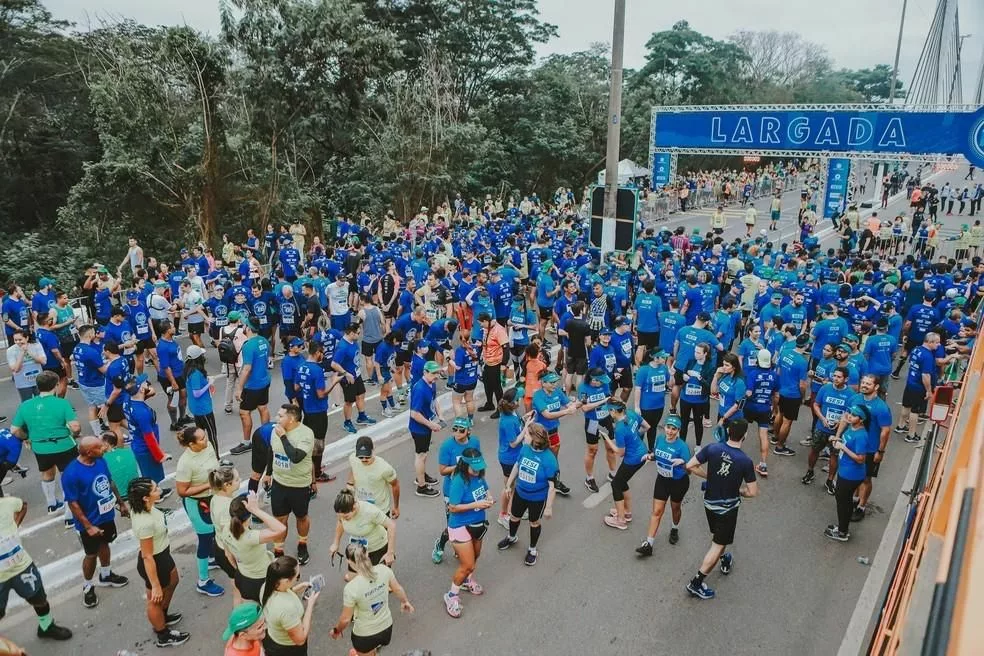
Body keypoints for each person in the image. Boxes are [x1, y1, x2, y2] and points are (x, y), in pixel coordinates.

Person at [684, 418, 758, 600]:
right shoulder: (745, 461)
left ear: (728, 432)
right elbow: (753, 492)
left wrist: (709, 477)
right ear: (745, 436)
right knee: (717, 545)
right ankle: (696, 582)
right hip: (728, 508)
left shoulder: (712, 448)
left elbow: (689, 465)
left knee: (718, 536)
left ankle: (724, 558)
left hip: (709, 503)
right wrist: (739, 491)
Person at [62, 436, 130, 609]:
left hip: (106, 516)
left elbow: (109, 481)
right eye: (100, 448)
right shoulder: (71, 474)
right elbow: (73, 503)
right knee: (91, 554)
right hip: (89, 522)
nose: (104, 449)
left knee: (105, 543)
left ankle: (106, 575)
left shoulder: (100, 461)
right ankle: (87, 585)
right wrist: (88, 526)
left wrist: (121, 503)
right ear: (89, 452)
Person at [0, 494, 72, 642]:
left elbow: (22, 505)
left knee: (39, 599)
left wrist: (15, 524)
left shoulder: (8, 503)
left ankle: (46, 627)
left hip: (22, 566)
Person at [10, 370, 81, 520]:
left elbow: (14, 429)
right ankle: (69, 515)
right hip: (64, 445)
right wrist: (73, 434)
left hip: (40, 447)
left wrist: (27, 437)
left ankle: (51, 503)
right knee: (67, 477)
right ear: (56, 385)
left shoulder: (26, 405)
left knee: (47, 473)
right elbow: (75, 427)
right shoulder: (62, 403)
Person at [128, 477, 190, 647]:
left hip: (163, 554)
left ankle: (162, 616)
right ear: (145, 498)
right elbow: (147, 556)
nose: (159, 490)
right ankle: (162, 634)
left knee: (174, 580)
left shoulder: (144, 508)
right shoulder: (145, 523)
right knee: (154, 599)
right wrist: (155, 584)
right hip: (155, 561)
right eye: (155, 489)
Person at [329, 543, 414, 655]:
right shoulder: (384, 570)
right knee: (372, 649)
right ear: (368, 554)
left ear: (349, 562)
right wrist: (405, 602)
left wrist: (336, 631)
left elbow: (345, 619)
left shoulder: (351, 588)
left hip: (365, 636)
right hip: (386, 630)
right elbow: (398, 589)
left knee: (364, 651)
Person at [442, 448, 493, 618]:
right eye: (474, 468)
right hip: (459, 526)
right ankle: (451, 596)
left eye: (479, 467)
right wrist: (476, 504)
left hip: (477, 523)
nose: (477, 470)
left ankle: (467, 581)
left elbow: (486, 490)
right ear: (464, 465)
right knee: (467, 565)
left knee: (475, 556)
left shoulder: (479, 476)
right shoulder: (458, 481)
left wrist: (489, 498)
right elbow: (453, 507)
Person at [498, 423, 558, 566]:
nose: (524, 435)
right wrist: (508, 485)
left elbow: (552, 486)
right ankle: (511, 537)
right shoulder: (525, 449)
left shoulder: (549, 459)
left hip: (537, 498)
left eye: (526, 434)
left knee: (534, 522)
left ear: (535, 438)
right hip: (520, 492)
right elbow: (517, 465)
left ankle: (532, 550)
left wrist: (549, 507)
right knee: (514, 517)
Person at [175, 426, 224, 597]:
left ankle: (211, 559)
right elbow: (182, 491)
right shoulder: (185, 463)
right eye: (202, 439)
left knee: (215, 531)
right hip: (197, 503)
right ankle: (203, 581)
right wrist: (207, 485)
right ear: (191, 444)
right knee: (204, 538)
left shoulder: (207, 446)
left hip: (212, 497)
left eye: (205, 436)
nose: (206, 440)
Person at [636, 415, 691, 556]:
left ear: (678, 430)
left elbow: (690, 469)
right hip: (662, 479)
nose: (670, 431)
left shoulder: (682, 447)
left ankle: (674, 528)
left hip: (679, 482)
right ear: (664, 427)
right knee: (657, 511)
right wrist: (650, 456)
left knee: (675, 508)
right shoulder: (660, 439)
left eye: (674, 429)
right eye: (668, 427)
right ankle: (649, 544)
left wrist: (683, 463)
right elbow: (656, 454)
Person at [269, 404, 315, 565]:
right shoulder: (275, 431)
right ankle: (278, 550)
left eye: (280, 416)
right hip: (279, 483)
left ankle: (302, 544)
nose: (277, 418)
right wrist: (268, 475)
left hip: (299, 485)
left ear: (292, 418)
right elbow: (273, 453)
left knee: (301, 517)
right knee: (279, 519)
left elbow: (296, 457)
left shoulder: (306, 434)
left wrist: (283, 437)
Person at [432, 416, 481, 564]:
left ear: (468, 431)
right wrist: (461, 465)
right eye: (454, 429)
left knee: (468, 523)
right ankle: (440, 545)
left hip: (470, 489)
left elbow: (478, 463)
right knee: (453, 524)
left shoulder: (475, 442)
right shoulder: (447, 446)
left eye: (461, 430)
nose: (457, 433)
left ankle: (460, 547)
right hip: (452, 490)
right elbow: (442, 471)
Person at [226, 491, 287, 602]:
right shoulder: (250, 537)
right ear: (249, 516)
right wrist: (256, 510)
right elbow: (281, 529)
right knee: (266, 614)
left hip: (242, 576)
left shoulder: (226, 529)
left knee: (250, 612)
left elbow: (229, 555)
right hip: (259, 581)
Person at [600, 399, 651, 530]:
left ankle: (621, 520)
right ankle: (626, 512)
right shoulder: (632, 414)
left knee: (616, 484)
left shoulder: (620, 428)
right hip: (642, 452)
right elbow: (647, 427)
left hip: (632, 459)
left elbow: (620, 452)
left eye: (609, 410)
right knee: (622, 481)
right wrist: (634, 437)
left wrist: (607, 438)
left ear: (613, 411)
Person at [123, 374, 173, 500]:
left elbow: (150, 392)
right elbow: (149, 438)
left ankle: (157, 491)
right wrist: (160, 455)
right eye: (145, 383)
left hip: (137, 443)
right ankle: (155, 496)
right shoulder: (142, 413)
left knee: (148, 473)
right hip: (145, 448)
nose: (148, 384)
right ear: (140, 389)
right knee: (152, 476)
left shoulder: (128, 399)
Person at [804, 367, 853, 493]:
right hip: (822, 428)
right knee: (814, 450)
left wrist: (840, 422)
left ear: (846, 379)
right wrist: (822, 418)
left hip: (837, 432)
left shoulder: (851, 395)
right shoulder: (825, 388)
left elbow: (850, 413)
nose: (835, 379)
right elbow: (816, 404)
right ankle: (810, 471)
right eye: (834, 376)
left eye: (839, 377)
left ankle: (830, 480)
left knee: (834, 456)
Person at [825, 405, 869, 542]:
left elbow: (861, 459)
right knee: (843, 500)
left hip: (851, 474)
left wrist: (843, 447)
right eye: (850, 413)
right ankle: (842, 527)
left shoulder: (861, 435)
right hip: (845, 471)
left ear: (861, 420)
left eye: (854, 415)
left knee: (843, 502)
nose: (850, 416)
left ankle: (843, 532)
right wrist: (837, 440)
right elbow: (845, 444)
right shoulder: (851, 428)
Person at [260, 556, 319, 656]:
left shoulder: (266, 586)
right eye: (297, 576)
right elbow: (300, 639)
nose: (298, 578)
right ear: (286, 581)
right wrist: (310, 605)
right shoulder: (287, 609)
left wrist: (299, 587)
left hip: (273, 637)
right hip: (288, 649)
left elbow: (283, 592)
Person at [531, 371, 575, 496]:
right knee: (538, 459)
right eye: (551, 382)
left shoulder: (557, 392)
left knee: (553, 458)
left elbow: (568, 403)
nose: (555, 384)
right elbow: (547, 415)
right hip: (539, 434)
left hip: (553, 431)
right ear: (543, 383)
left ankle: (555, 482)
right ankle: (537, 485)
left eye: (555, 382)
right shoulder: (538, 396)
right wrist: (567, 412)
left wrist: (576, 404)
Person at [236, 320, 273, 453]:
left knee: (244, 413)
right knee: (263, 408)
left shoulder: (248, 346)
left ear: (248, 328)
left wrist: (239, 388)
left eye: (244, 325)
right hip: (264, 380)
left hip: (252, 385)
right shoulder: (263, 340)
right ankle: (266, 437)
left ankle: (246, 442)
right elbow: (268, 356)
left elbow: (247, 369)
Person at [407, 360, 443, 497]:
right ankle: (421, 486)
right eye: (433, 373)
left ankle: (421, 475)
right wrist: (431, 424)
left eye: (437, 373)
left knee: (424, 454)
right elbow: (414, 414)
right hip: (419, 428)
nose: (436, 376)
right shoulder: (420, 389)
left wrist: (440, 414)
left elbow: (434, 400)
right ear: (425, 372)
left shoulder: (431, 384)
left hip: (426, 426)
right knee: (421, 455)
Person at [578, 368, 616, 493]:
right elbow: (584, 408)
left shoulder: (605, 384)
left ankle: (612, 473)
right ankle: (589, 478)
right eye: (599, 381)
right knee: (592, 451)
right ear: (593, 380)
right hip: (592, 422)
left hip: (606, 420)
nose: (602, 383)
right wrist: (602, 401)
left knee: (610, 448)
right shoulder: (583, 388)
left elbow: (609, 398)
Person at [345, 436, 400, 518]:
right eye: (360, 457)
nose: (364, 459)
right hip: (360, 508)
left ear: (373, 450)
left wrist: (396, 507)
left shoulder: (385, 468)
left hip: (380, 511)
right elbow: (354, 468)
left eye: (367, 457)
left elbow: (395, 485)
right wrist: (350, 483)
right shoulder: (353, 458)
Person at [678, 342, 715, 447]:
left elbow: (709, 386)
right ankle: (682, 443)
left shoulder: (710, 367)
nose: (695, 354)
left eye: (698, 352)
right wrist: (684, 376)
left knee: (698, 423)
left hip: (699, 401)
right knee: (684, 422)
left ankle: (698, 445)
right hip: (685, 398)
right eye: (695, 351)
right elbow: (683, 374)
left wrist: (699, 377)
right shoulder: (691, 362)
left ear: (705, 354)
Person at [184, 344, 218, 455]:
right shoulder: (196, 374)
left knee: (200, 434)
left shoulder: (189, 369)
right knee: (212, 434)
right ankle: (216, 457)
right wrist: (209, 384)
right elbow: (197, 393)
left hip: (196, 407)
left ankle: (203, 455)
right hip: (203, 408)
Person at [634, 349, 670, 450]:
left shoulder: (664, 368)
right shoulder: (644, 370)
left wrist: (671, 373)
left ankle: (651, 449)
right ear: (655, 358)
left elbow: (669, 383)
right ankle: (638, 449)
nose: (665, 358)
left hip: (659, 405)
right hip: (646, 406)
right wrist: (637, 407)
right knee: (643, 428)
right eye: (663, 357)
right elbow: (638, 389)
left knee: (653, 427)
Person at [6, 330, 46, 402]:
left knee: (42, 401)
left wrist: (29, 352)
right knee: (27, 403)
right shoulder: (10, 350)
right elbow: (15, 369)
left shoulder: (36, 345)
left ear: (26, 338)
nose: (18, 342)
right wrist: (22, 352)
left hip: (38, 380)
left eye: (20, 339)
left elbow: (43, 361)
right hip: (23, 382)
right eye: (16, 340)